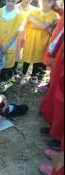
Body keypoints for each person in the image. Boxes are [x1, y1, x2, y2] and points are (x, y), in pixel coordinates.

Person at [19, 0, 60, 84]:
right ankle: (23, 73)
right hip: (30, 38)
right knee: (27, 56)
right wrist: (23, 36)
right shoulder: (34, 11)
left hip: (42, 41)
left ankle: (34, 75)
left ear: (53, 3)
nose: (46, 4)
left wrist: (36, 23)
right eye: (44, 1)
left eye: (49, 2)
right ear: (41, 1)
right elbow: (26, 24)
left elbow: (51, 30)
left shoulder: (54, 15)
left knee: (38, 57)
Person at [39, 15, 64, 151]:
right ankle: (55, 130)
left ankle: (59, 139)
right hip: (61, 60)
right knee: (57, 95)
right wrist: (54, 54)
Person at [0, 0, 26, 82]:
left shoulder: (20, 16)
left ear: (17, 1)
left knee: (7, 61)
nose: (10, 3)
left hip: (10, 43)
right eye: (8, 1)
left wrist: (7, 45)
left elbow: (17, 32)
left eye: (13, 1)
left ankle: (2, 78)